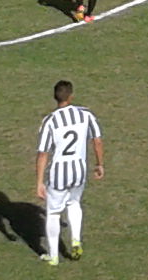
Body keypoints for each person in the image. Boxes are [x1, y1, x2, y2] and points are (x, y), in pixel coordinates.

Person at [35, 80, 104, 266]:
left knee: (54, 213)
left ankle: (53, 256)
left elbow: (43, 153)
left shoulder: (50, 121)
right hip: (79, 171)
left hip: (58, 174)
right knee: (74, 204)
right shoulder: (86, 114)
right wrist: (99, 164)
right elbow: (97, 140)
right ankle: (75, 240)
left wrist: (39, 182)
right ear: (71, 96)